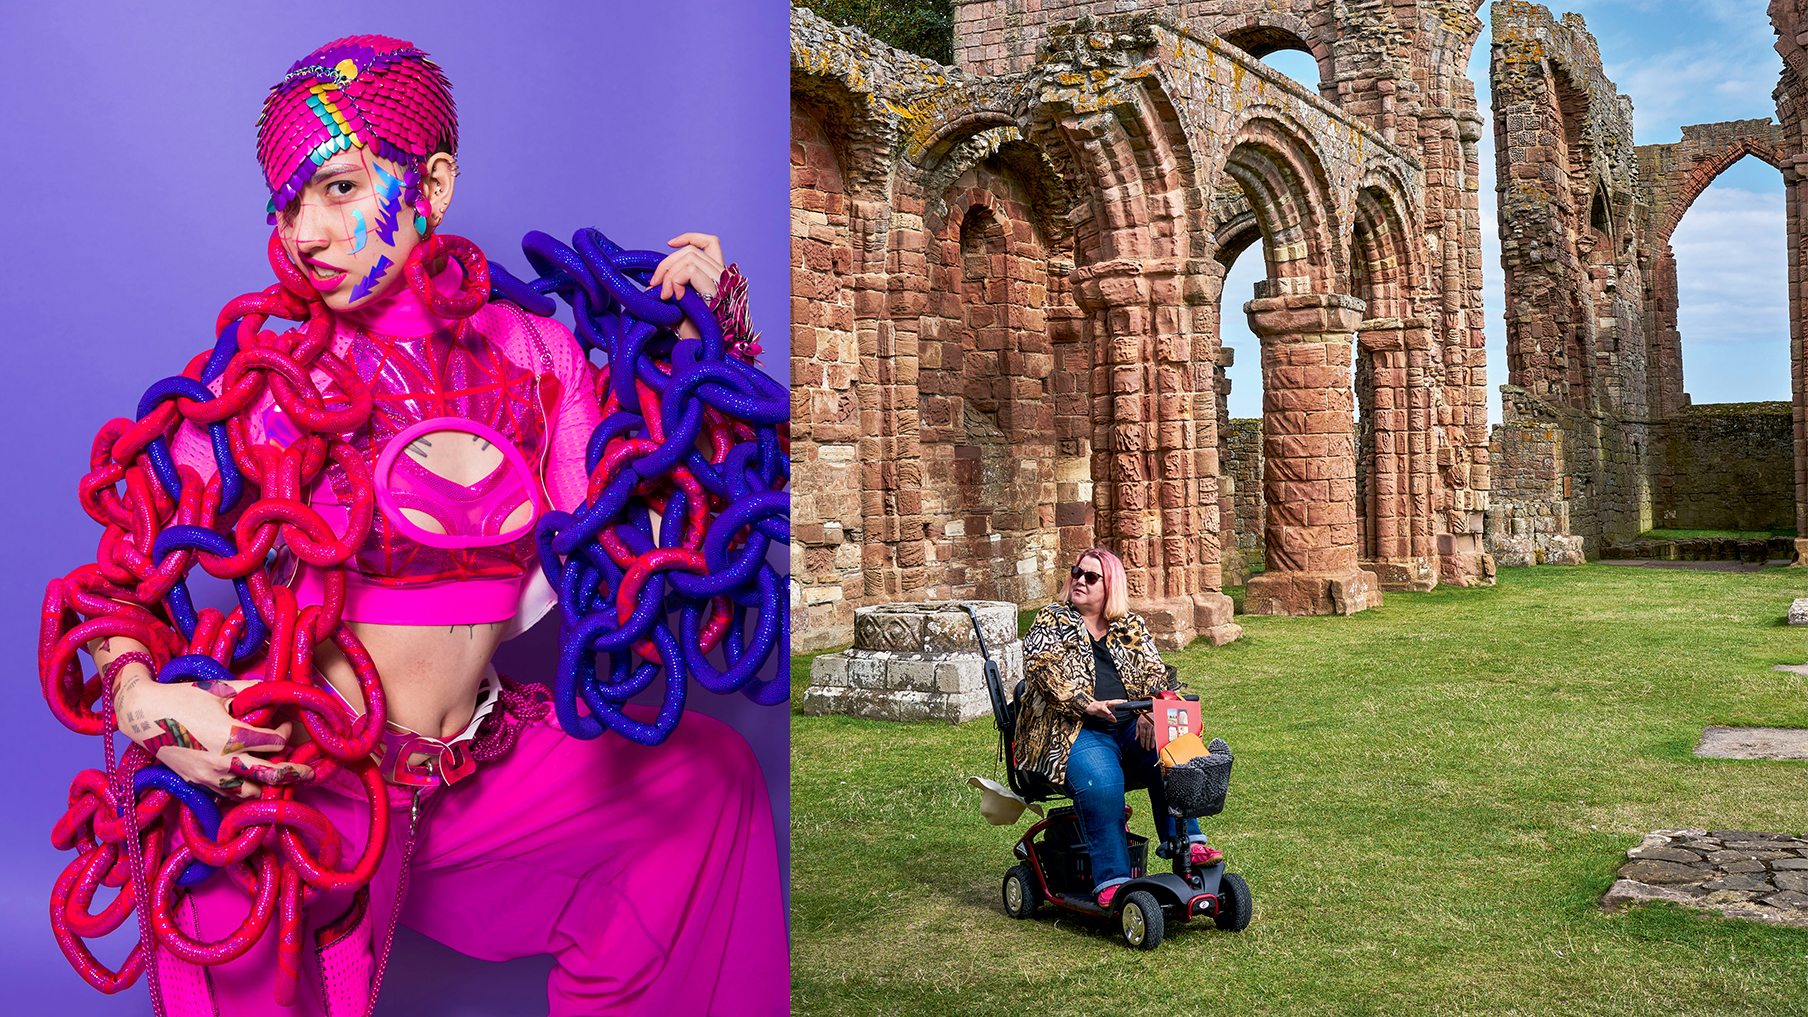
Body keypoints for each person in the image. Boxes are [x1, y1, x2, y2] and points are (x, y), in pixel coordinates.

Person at [58, 36, 787, 1016]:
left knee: (707, 780)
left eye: (342, 188)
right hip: (301, 779)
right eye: (287, 203)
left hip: (477, 782)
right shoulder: (264, 384)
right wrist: (145, 702)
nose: (307, 231)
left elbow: (634, 543)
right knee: (226, 913)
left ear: (433, 185)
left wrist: (713, 344)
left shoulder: (536, 358)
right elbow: (117, 578)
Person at [1014, 547, 1222, 909]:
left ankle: (1188, 843)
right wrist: (1085, 703)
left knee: (1178, 752)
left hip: (1128, 724)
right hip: (1073, 728)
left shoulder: (1129, 624)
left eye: (1090, 576)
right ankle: (1113, 878)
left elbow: (1156, 673)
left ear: (1110, 585)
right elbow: (1042, 671)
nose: (1079, 580)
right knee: (1102, 780)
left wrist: (1150, 715)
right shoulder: (1051, 620)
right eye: (1077, 572)